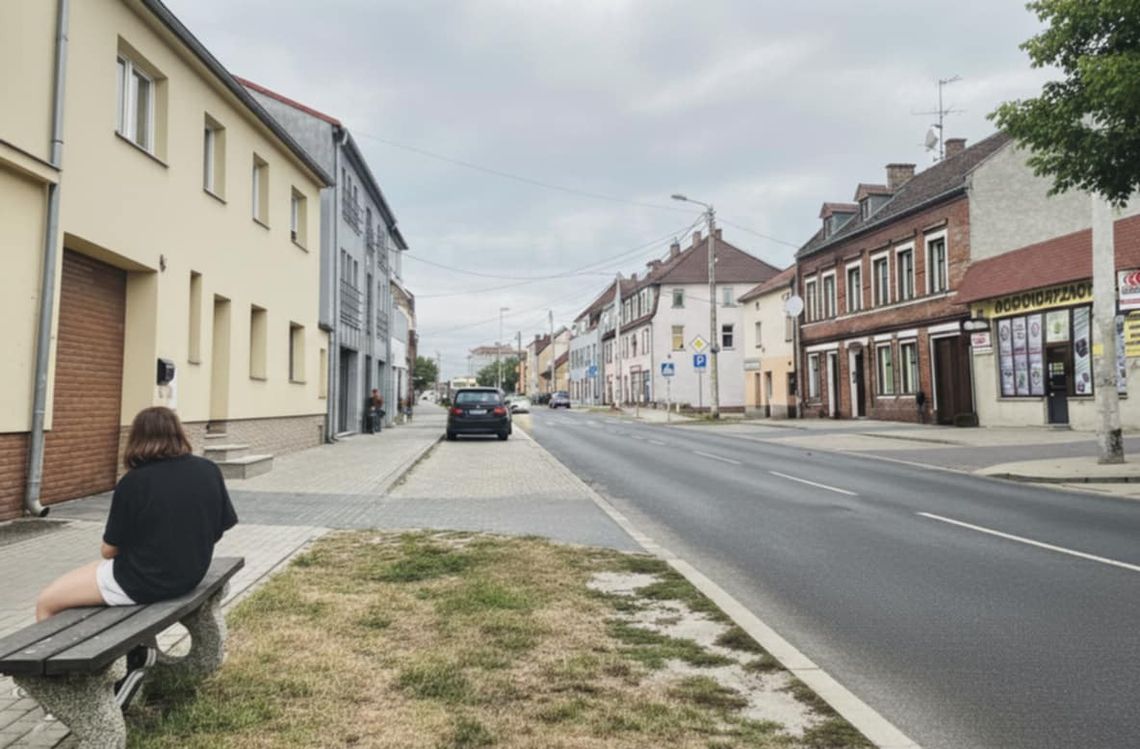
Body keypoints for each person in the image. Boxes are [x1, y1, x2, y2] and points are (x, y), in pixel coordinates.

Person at [33, 406, 238, 705]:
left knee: (47, 602)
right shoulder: (208, 470)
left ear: (137, 439)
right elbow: (220, 528)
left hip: (141, 582)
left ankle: (62, 693)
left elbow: (109, 549)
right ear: (178, 433)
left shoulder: (134, 482)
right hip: (190, 575)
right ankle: (137, 654)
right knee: (93, 575)